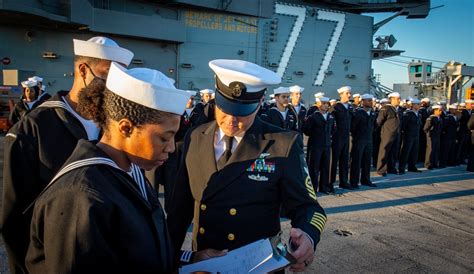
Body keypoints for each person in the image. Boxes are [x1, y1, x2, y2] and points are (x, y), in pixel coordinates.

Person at [26, 62, 220, 273]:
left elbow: (138, 251)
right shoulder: (80, 197)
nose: (172, 148)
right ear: (126, 128)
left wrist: (189, 259)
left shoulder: (129, 169)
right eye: (165, 137)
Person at [167, 59, 326, 273]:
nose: (231, 120)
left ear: (260, 103)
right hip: (204, 264)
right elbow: (180, 208)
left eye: (242, 112)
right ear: (216, 97)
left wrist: (308, 236)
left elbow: (309, 207)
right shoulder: (196, 137)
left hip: (258, 266)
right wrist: (169, 257)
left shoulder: (282, 143)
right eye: (225, 108)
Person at [1, 36, 133, 274]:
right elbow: (14, 220)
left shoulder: (115, 125)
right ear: (83, 70)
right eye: (107, 77)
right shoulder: (32, 130)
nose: (114, 88)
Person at [303, 96, 336, 194]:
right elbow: (306, 130)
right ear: (318, 104)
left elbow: (333, 130)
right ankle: (313, 188)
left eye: (327, 103)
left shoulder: (330, 116)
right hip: (315, 145)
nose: (326, 105)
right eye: (323, 103)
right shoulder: (313, 117)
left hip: (326, 145)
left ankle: (324, 187)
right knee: (314, 167)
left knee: (326, 167)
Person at [350, 94, 377, 188]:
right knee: (356, 162)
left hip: (369, 140)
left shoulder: (372, 112)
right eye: (368, 100)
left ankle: (366, 179)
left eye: (371, 100)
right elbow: (353, 127)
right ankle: (354, 182)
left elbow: (374, 125)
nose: (371, 102)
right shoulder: (358, 112)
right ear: (363, 102)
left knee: (367, 161)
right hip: (359, 140)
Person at [329, 86, 353, 189]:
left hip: (346, 137)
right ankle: (330, 182)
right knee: (334, 161)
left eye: (349, 93)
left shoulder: (350, 107)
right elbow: (330, 121)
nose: (349, 95)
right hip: (337, 138)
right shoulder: (335, 107)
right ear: (341, 94)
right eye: (347, 93)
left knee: (345, 160)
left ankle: (344, 181)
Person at [376, 92, 401, 176]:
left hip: (396, 133)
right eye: (398, 98)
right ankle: (381, 169)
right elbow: (379, 121)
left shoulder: (396, 108)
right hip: (387, 133)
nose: (399, 100)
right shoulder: (386, 108)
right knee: (384, 151)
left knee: (393, 152)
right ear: (392, 99)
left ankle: (391, 168)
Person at [398, 98, 422, 174]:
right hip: (408, 135)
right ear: (413, 105)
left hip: (416, 135)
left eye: (419, 104)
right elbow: (403, 125)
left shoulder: (418, 114)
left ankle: (412, 167)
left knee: (414, 152)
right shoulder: (408, 114)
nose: (419, 106)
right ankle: (401, 168)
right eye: (417, 104)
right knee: (405, 152)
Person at [424, 105, 443, 169]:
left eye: (441, 110)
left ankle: (434, 163)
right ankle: (428, 164)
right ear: (435, 111)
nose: (441, 112)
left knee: (436, 150)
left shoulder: (439, 118)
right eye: (439, 110)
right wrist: (429, 134)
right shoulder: (431, 118)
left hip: (437, 136)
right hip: (431, 136)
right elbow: (426, 128)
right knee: (430, 150)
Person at [418, 97, 431, 163]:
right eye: (428, 103)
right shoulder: (421, 110)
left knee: (423, 145)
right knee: (420, 145)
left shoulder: (427, 110)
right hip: (421, 131)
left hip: (425, 131)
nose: (429, 104)